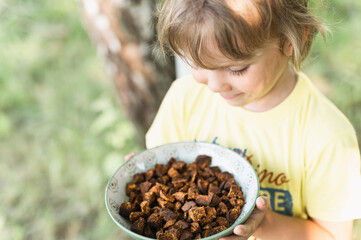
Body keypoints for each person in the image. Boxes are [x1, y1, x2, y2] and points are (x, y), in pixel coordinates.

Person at [126, 0, 361, 239]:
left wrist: (263, 222)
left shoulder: (328, 138)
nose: (215, 85)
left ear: (292, 40)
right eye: (198, 64)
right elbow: (160, 175)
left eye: (237, 69)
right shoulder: (184, 98)